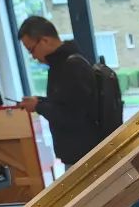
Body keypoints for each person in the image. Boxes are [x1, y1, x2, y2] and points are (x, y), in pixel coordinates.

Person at [16, 16, 99, 166]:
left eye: (31, 50)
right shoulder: (60, 64)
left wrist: (39, 106)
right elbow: (64, 103)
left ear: (45, 40)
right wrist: (40, 101)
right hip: (78, 156)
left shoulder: (71, 66)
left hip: (85, 158)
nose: (33, 57)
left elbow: (74, 117)